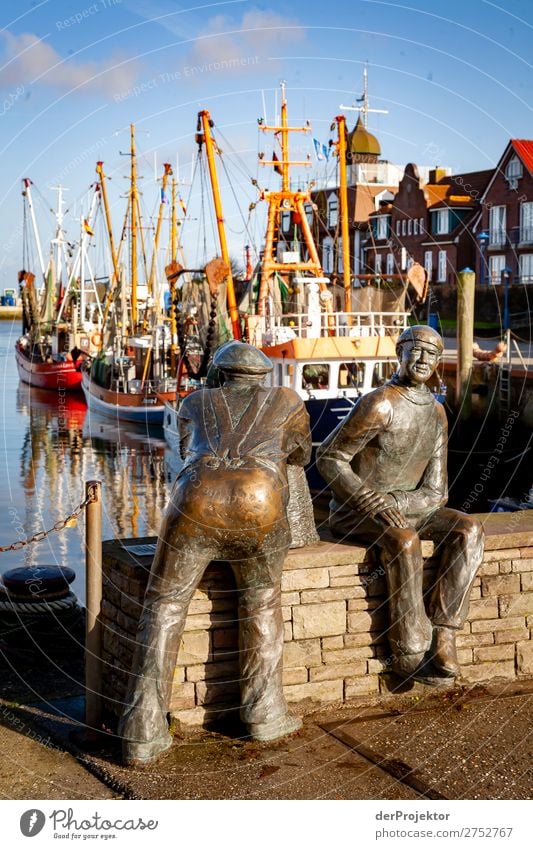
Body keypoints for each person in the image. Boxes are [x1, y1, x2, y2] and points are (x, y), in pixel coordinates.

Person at [119, 341, 312, 765]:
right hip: (260, 501)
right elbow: (300, 454)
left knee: (164, 606)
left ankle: (141, 732)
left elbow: (189, 448)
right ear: (263, 376)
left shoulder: (194, 400)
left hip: (196, 499)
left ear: (220, 374)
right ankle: (264, 713)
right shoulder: (288, 399)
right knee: (261, 602)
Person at [316, 326, 484, 683]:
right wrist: (370, 500)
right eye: (417, 350)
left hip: (409, 506)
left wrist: (399, 500)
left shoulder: (437, 413)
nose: (423, 359)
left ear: (439, 362)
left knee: (469, 529)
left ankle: (443, 633)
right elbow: (329, 457)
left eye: (432, 354)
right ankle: (408, 650)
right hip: (358, 512)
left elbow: (438, 490)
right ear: (400, 352)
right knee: (404, 542)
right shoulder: (380, 403)